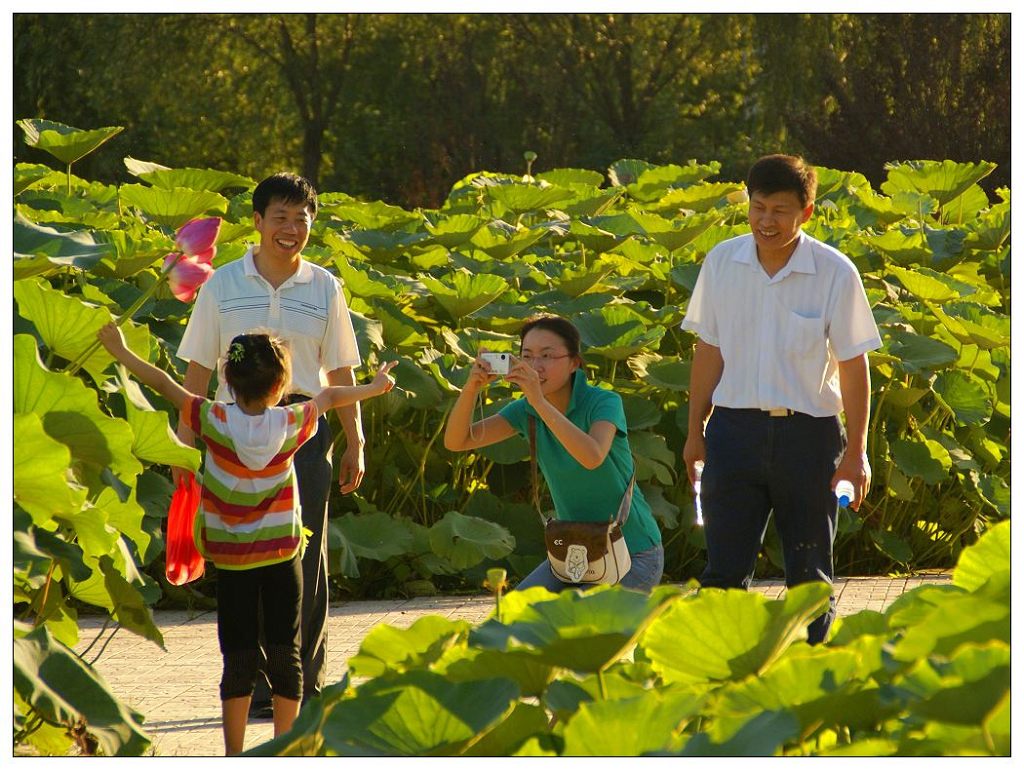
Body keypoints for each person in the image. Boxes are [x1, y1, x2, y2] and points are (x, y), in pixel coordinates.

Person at [97, 324, 396, 754]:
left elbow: (163, 383)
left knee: (238, 656)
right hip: (281, 554)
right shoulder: (294, 422)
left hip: (234, 559)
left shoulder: (212, 420)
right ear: (280, 386)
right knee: (286, 653)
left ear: (227, 380)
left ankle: (234, 754)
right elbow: (329, 397)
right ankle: (285, 749)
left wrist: (121, 351)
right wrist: (374, 386)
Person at [174, 172, 364, 715]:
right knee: (243, 556)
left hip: (302, 426)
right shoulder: (221, 285)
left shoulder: (325, 286)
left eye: (302, 219)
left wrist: (356, 441)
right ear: (257, 222)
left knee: (305, 551)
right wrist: (185, 447)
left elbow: (342, 368)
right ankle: (254, 680)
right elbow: (196, 371)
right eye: (280, 217)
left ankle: (302, 679)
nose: (291, 228)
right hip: (231, 429)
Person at [681, 154, 882, 644]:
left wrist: (856, 454)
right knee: (722, 574)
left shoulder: (836, 272)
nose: (766, 221)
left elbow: (855, 369)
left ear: (807, 212)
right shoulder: (721, 262)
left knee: (809, 576)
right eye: (758, 207)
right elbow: (709, 350)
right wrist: (694, 434)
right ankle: (718, 684)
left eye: (780, 211)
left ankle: (812, 682)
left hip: (809, 439)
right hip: (732, 434)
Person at [444, 315, 664, 593]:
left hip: (633, 554)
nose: (536, 366)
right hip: (575, 551)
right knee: (513, 619)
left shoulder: (603, 402)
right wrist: (471, 388)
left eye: (547, 356)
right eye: (527, 356)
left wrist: (538, 400)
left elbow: (592, 456)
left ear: (574, 363)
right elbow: (457, 441)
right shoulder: (525, 411)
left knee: (582, 629)